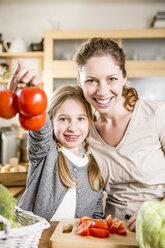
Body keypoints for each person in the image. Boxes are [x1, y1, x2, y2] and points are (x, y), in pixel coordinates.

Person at [74, 37, 165, 231]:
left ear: (123, 77)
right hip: (113, 231)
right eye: (91, 81)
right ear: (79, 81)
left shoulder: (157, 115)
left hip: (160, 227)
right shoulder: (83, 130)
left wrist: (157, 210)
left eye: (111, 79)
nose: (102, 91)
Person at [8, 76, 104, 221]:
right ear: (52, 122)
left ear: (89, 122)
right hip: (35, 241)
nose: (73, 128)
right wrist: (29, 93)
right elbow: (40, 127)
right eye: (64, 119)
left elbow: (96, 217)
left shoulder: (94, 167)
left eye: (81, 119)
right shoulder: (46, 152)